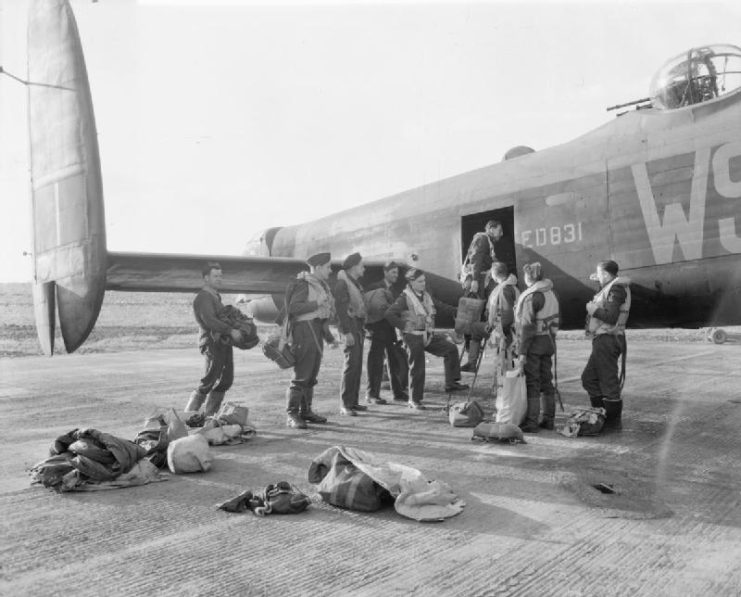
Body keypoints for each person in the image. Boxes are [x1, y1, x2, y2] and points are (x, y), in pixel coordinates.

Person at [386, 268, 469, 409]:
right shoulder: (404, 298)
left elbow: (440, 306)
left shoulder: (426, 296)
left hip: (426, 335)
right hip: (413, 337)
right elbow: (390, 314)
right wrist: (404, 326)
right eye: (420, 281)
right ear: (411, 282)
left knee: (450, 349)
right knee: (418, 368)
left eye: (424, 281)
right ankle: (414, 400)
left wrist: (458, 311)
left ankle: (451, 383)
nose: (423, 284)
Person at [283, 252, 337, 429]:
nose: (330, 270)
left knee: (311, 375)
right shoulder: (304, 284)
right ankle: (292, 414)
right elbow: (293, 308)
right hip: (304, 333)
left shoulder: (319, 285)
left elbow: (321, 317)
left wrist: (329, 338)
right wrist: (316, 303)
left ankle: (306, 411)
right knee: (301, 375)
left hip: (315, 331)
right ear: (319, 267)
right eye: (328, 267)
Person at [184, 262, 243, 418]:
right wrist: (230, 329)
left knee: (226, 380)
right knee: (209, 380)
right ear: (206, 278)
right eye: (215, 276)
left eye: (220, 276)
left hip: (223, 342)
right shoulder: (203, 297)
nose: (219, 279)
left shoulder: (215, 296)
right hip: (211, 343)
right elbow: (210, 320)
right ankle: (188, 416)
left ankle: (210, 416)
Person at [581, 260, 631, 430]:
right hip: (603, 339)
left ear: (607, 274)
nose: (598, 277)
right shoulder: (610, 286)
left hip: (609, 339)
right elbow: (605, 298)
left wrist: (592, 309)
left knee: (609, 384)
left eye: (600, 274)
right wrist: (599, 280)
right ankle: (600, 414)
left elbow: (610, 317)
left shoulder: (616, 289)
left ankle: (612, 424)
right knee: (589, 379)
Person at [514, 262, 560, 433]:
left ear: (528, 277)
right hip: (548, 342)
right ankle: (549, 419)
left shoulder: (531, 296)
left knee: (532, 382)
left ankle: (532, 422)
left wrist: (522, 352)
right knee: (547, 381)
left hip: (533, 345)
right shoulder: (550, 292)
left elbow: (526, 328)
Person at [364, 261, 409, 404]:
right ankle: (372, 394)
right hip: (376, 329)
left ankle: (398, 393)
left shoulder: (395, 291)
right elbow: (367, 308)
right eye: (393, 272)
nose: (396, 275)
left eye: (397, 273)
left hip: (389, 330)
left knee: (393, 361)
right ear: (385, 272)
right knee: (375, 362)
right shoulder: (374, 287)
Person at [460, 262, 519, 372]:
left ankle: (472, 363)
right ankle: (472, 363)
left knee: (474, 327)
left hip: (503, 331)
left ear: (495, 274)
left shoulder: (504, 289)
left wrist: (494, 329)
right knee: (477, 327)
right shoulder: (510, 286)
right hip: (507, 328)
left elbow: (508, 317)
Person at [334, 252, 367, 416]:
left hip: (357, 327)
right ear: (354, 267)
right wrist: (346, 332)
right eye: (362, 265)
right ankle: (345, 404)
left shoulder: (354, 282)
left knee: (357, 365)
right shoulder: (342, 283)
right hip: (349, 327)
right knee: (350, 365)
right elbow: (340, 311)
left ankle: (353, 402)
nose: (364, 268)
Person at [461, 220, 504, 298]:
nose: (501, 234)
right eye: (499, 230)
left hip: (481, 277)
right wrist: (475, 280)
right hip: (478, 278)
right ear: (492, 229)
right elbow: (476, 258)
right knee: (475, 306)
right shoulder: (482, 238)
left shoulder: (487, 241)